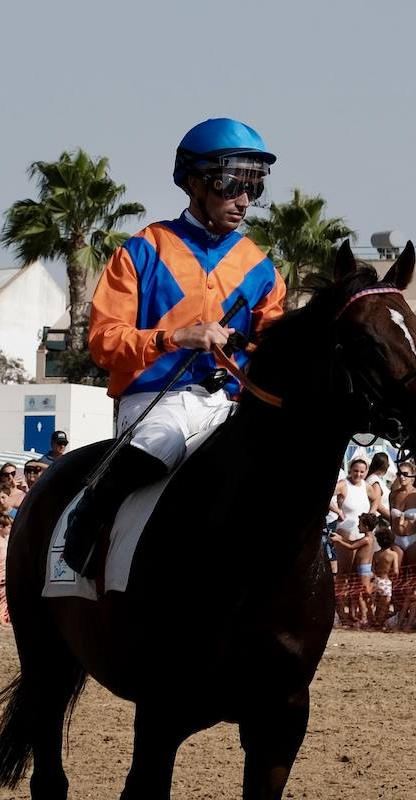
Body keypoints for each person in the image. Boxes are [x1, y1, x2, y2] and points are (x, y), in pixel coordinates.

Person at [61, 118, 287, 574]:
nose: (243, 201)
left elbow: (274, 350)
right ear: (195, 183)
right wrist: (174, 337)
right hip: (154, 401)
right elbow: (104, 344)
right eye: (231, 186)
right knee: (162, 443)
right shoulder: (143, 250)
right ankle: (83, 534)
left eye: (253, 189)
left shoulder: (260, 267)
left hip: (229, 404)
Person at [331, 458, 371, 538]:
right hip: (345, 530)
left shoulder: (366, 485)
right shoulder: (343, 484)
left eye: (362, 472)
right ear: (350, 470)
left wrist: (371, 514)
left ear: (366, 472)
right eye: (355, 471)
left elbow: (376, 499)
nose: (358, 474)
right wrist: (338, 511)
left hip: (362, 532)